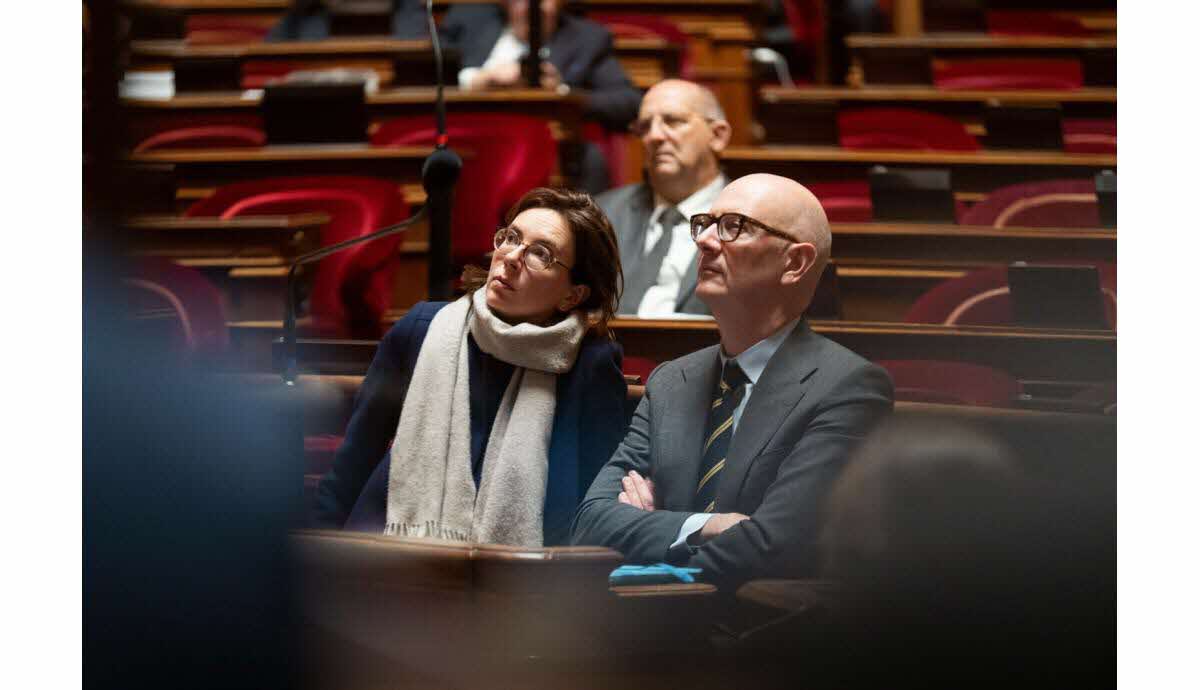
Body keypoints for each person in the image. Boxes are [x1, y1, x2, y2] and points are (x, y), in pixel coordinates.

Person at [570, 173, 894, 587]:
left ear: (794, 262)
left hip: (757, 637)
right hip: (636, 628)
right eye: (704, 224)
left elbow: (772, 546)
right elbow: (591, 521)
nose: (704, 241)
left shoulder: (847, 388)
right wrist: (710, 525)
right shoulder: (671, 381)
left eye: (733, 227)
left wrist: (652, 528)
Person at [313, 187, 628, 547]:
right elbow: (353, 462)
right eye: (511, 238)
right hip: (386, 552)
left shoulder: (589, 364)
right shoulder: (421, 331)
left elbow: (595, 502)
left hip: (525, 580)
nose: (511, 256)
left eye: (540, 253)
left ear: (573, 295)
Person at [596, 80, 732, 317]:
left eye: (673, 121)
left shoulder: (750, 219)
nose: (654, 136)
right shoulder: (601, 214)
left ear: (718, 136)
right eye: (645, 127)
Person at [440, 1, 640, 132]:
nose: (532, 7)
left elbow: (627, 101)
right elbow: (425, 79)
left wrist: (562, 93)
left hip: (551, 141)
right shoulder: (468, 22)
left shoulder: (588, 38)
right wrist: (476, 80)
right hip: (470, 130)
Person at [266, 0, 429, 42]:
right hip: (314, 85)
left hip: (387, 75)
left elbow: (412, 48)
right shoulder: (306, 11)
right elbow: (270, 53)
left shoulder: (406, 8)